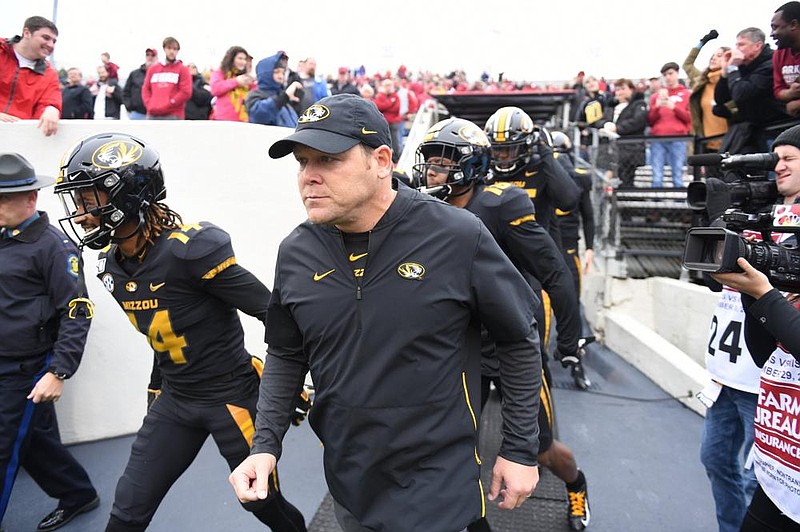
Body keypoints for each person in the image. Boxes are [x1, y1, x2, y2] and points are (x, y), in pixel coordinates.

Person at [229, 94, 542, 532]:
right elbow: (285, 352)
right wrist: (265, 446)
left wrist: (520, 449)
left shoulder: (457, 235)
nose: (308, 178)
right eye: (302, 162)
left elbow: (518, 338)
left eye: (327, 160)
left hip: (438, 480)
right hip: (349, 479)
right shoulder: (295, 251)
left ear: (380, 160)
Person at [53, 133, 308, 532]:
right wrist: (156, 390)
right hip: (176, 399)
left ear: (124, 197)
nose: (82, 213)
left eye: (89, 200)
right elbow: (163, 336)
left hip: (231, 398)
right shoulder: (112, 267)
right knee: (127, 511)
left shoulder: (189, 250)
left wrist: (288, 384)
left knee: (263, 504)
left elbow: (273, 313)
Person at [414, 117, 591, 530]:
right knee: (452, 443)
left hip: (511, 341)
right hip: (464, 346)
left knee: (541, 449)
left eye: (446, 162)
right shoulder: (423, 207)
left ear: (471, 167)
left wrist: (569, 340)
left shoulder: (498, 203)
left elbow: (555, 272)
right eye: (431, 161)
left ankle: (576, 485)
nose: (433, 171)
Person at [0, 152, 99, 531]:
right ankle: (78, 493)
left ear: (31, 198)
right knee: (31, 440)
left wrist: (59, 370)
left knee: (4, 446)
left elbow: (77, 310)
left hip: (25, 367)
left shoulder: (53, 248)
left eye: (4, 198)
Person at [715, 27, 790, 154]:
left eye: (742, 45)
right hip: (752, 132)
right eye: (736, 44)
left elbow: (741, 94)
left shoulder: (770, 63)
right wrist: (724, 72)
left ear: (757, 46)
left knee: (776, 169)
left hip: (776, 130)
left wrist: (733, 68)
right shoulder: (743, 66)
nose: (737, 49)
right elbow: (721, 99)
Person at [551, 130, 595, 298]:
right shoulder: (579, 178)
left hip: (547, 243)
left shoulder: (539, 174)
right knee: (571, 299)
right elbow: (588, 217)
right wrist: (589, 247)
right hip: (565, 243)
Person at [0, 16, 61, 136]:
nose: (51, 45)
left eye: (54, 41)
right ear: (27, 33)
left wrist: (52, 109)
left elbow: (51, 100)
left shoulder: (49, 74)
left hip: (18, 137)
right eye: (46, 38)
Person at [682, 30, 731, 152]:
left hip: (730, 143)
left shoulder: (733, 80)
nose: (714, 58)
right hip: (707, 144)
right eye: (713, 55)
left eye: (719, 56)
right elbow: (687, 65)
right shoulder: (702, 80)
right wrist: (702, 42)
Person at [596, 78, 648, 188]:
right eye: (617, 89)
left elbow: (638, 121)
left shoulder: (639, 104)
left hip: (630, 149)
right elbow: (600, 121)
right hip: (610, 150)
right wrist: (606, 125)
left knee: (627, 179)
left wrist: (617, 128)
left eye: (623, 89)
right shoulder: (611, 107)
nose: (620, 92)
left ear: (631, 89)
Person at [647, 62, 692, 188]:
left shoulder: (687, 94)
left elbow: (689, 118)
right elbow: (650, 121)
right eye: (665, 74)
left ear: (677, 73)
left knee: (677, 175)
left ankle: (678, 205)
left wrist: (674, 107)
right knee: (657, 177)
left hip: (678, 138)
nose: (668, 77)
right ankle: (656, 205)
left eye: (670, 73)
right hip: (658, 138)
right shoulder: (655, 96)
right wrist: (656, 107)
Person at [247, 51, 302, 127]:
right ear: (265, 74)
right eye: (276, 72)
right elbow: (259, 116)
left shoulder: (283, 98)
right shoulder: (256, 94)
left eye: (283, 73)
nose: (281, 76)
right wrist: (285, 96)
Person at [142, 37, 192, 120]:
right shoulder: (153, 69)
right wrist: (149, 104)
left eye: (174, 49)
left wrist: (170, 103)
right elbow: (146, 89)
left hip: (173, 114)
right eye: (169, 48)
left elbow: (185, 92)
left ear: (177, 51)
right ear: (164, 49)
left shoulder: (183, 69)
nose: (171, 51)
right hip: (152, 113)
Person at [210, 46, 256, 122]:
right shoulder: (220, 73)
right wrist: (236, 81)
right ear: (231, 59)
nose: (243, 62)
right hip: (223, 119)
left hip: (243, 120)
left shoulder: (246, 77)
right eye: (240, 58)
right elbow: (215, 89)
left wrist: (253, 83)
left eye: (245, 59)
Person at [772, 2, 800, 116]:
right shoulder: (779, 54)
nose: (771, 34)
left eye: (775, 27)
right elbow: (778, 91)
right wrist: (791, 92)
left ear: (793, 25)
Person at [123, 48, 158, 120]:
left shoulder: (160, 74)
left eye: (152, 55)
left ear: (156, 58)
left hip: (155, 115)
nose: (150, 57)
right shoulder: (134, 74)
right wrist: (129, 107)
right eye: (148, 55)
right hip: (137, 114)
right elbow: (126, 92)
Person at [375, 78, 404, 163]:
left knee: (396, 141)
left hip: (394, 122)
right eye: (386, 85)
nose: (388, 87)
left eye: (389, 85)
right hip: (384, 123)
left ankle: (397, 158)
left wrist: (386, 106)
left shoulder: (395, 96)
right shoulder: (381, 96)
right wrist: (390, 103)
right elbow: (379, 106)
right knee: (384, 141)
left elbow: (396, 109)